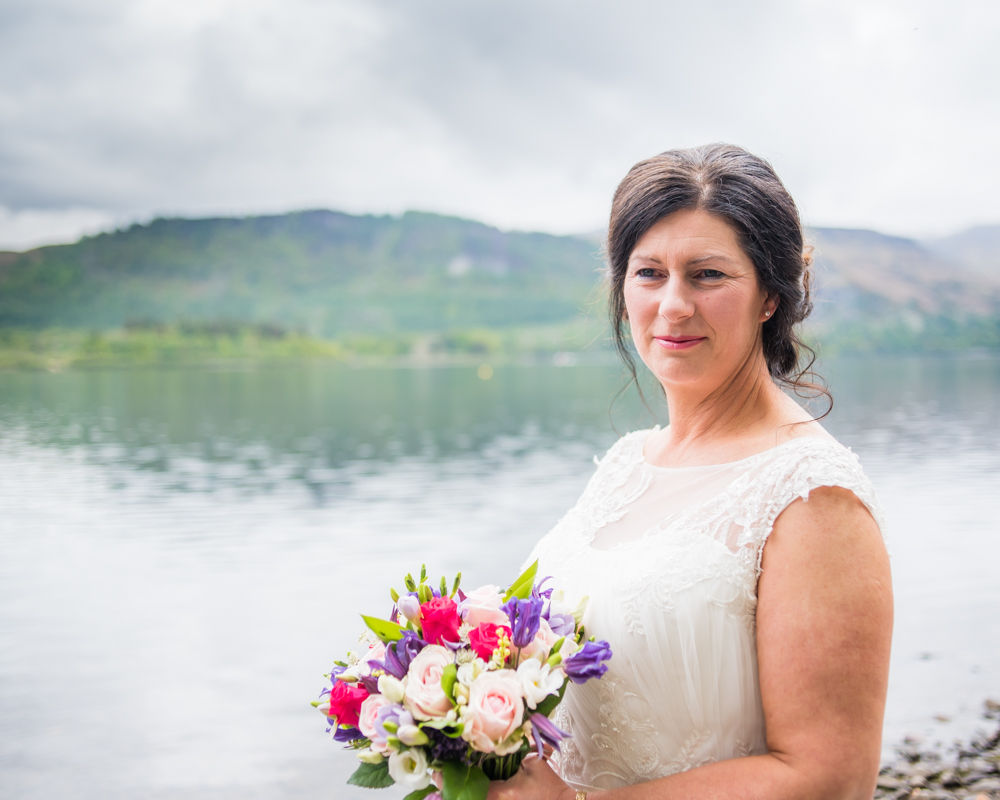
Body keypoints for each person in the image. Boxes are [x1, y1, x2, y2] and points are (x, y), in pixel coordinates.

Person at [489, 144, 893, 800]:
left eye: (706, 275)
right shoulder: (626, 464)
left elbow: (829, 778)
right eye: (649, 273)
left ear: (770, 295)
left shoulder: (812, 495)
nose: (673, 305)